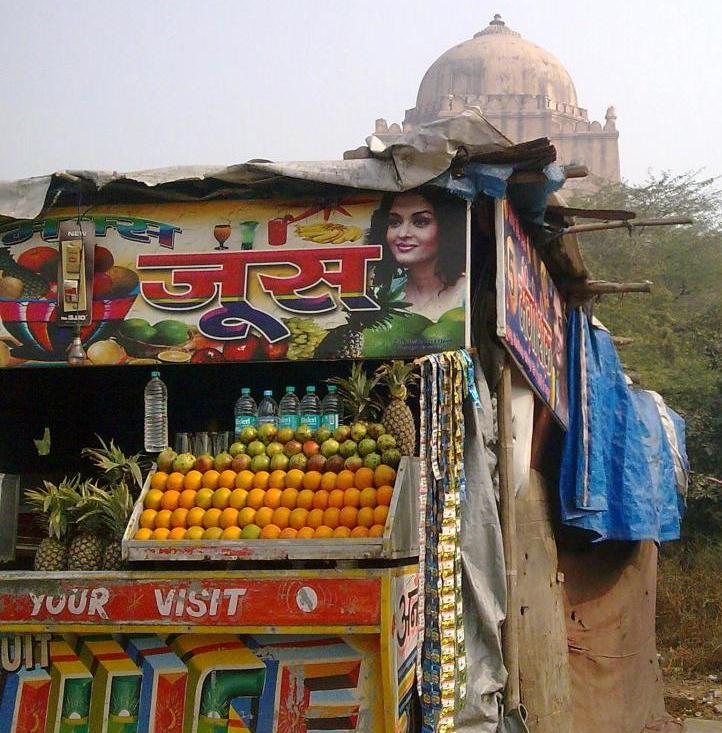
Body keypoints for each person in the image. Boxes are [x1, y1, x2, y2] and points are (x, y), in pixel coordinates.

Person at [368, 189, 466, 322]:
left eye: (420, 222)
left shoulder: (466, 292)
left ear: (446, 228)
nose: (403, 234)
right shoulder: (379, 292)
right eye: (395, 222)